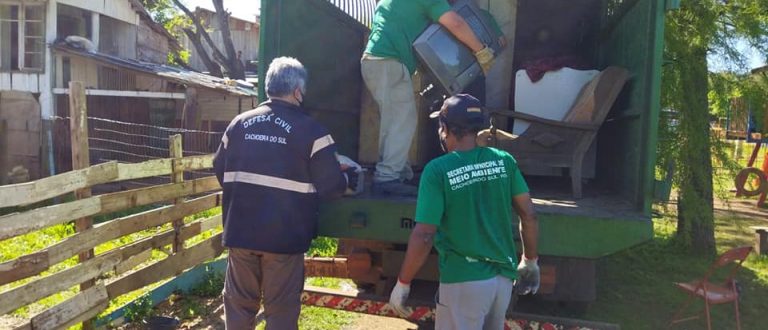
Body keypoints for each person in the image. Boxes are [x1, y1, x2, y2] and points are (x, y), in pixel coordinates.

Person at [213, 57, 347, 330]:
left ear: (268, 87)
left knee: (238, 309)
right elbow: (332, 187)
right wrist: (346, 176)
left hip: (240, 234)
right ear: (298, 92)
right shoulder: (312, 131)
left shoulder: (238, 124)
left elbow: (220, 170)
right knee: (281, 314)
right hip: (284, 241)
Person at [388, 94, 540, 329]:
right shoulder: (504, 161)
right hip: (502, 281)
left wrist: (403, 282)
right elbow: (529, 215)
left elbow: (425, 233)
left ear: (445, 129)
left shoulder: (438, 170)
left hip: (464, 281)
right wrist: (530, 260)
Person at [362, 0, 496, 196]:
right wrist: (481, 50)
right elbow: (455, 23)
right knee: (403, 120)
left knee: (393, 121)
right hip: (389, 61)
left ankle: (399, 173)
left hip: (375, 61)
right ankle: (387, 178)